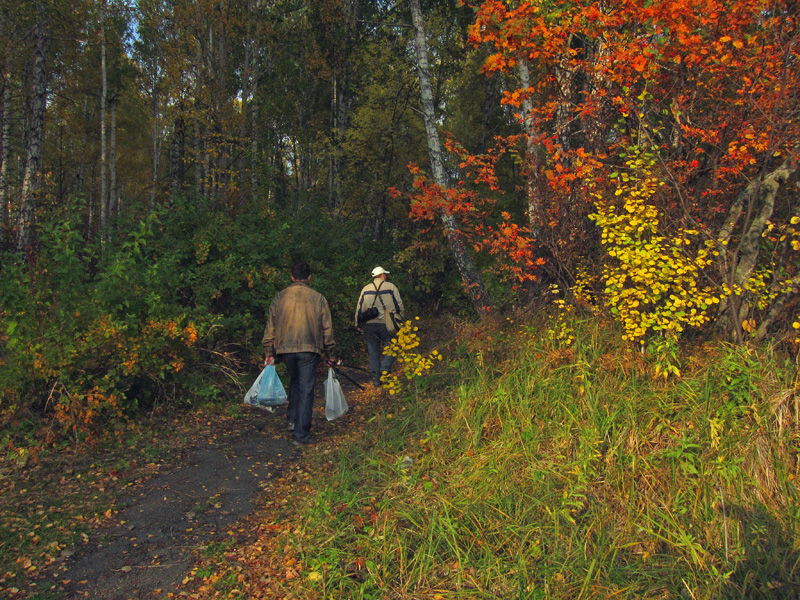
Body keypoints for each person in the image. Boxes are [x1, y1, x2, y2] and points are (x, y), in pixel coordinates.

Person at [263, 262, 335, 445]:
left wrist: (269, 351)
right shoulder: (318, 298)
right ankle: (301, 434)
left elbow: (270, 325)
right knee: (306, 388)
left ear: (292, 277)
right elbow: (327, 328)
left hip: (285, 349)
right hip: (309, 348)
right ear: (309, 278)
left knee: (295, 382)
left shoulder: (280, 297)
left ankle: (292, 420)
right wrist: (330, 353)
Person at [354, 266, 404, 387]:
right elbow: (399, 305)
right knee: (393, 347)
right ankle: (385, 370)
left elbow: (359, 309)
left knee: (373, 352)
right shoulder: (391, 287)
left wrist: (357, 325)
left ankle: (376, 380)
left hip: (371, 325)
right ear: (382, 275)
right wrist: (400, 320)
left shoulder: (365, 289)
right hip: (388, 324)